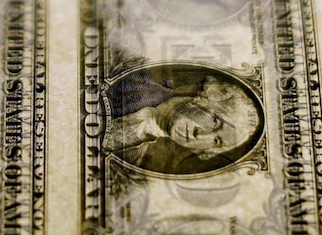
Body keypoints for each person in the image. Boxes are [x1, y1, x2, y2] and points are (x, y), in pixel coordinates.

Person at [104, 72, 261, 175]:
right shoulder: (135, 81)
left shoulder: (135, 164)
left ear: (205, 153)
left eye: (216, 141)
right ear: (203, 99)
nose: (200, 134)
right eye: (214, 121)